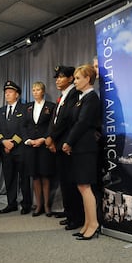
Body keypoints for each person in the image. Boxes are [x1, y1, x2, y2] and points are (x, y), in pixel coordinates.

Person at [62, 64, 102, 240]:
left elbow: (83, 122)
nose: (75, 81)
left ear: (88, 79)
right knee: (81, 186)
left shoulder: (91, 97)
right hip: (80, 147)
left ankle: (94, 224)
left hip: (86, 147)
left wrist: (68, 142)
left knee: (86, 187)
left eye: (78, 78)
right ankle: (87, 222)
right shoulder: (81, 97)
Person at [45, 65, 84, 231]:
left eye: (61, 76)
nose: (57, 80)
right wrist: (51, 138)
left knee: (71, 182)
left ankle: (77, 217)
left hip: (69, 144)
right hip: (59, 145)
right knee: (64, 182)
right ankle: (69, 214)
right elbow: (54, 120)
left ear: (70, 78)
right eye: (56, 77)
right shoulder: (61, 97)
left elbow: (66, 120)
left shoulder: (75, 94)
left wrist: (51, 137)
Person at [0, 80, 32, 215]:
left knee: (24, 178)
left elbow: (25, 128)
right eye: (6, 92)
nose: (7, 95)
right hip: (5, 151)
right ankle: (11, 204)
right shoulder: (1, 111)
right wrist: (4, 142)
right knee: (9, 178)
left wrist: (13, 143)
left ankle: (26, 204)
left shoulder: (24, 108)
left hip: (20, 150)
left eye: (10, 92)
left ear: (17, 95)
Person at [24, 81, 56, 217]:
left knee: (45, 176)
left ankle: (48, 206)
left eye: (38, 90)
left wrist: (43, 139)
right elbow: (23, 126)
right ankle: (39, 205)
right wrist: (29, 140)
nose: (35, 92)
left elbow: (52, 125)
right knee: (35, 176)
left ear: (43, 91)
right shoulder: (27, 107)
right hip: (31, 146)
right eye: (33, 90)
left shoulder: (51, 106)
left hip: (45, 145)